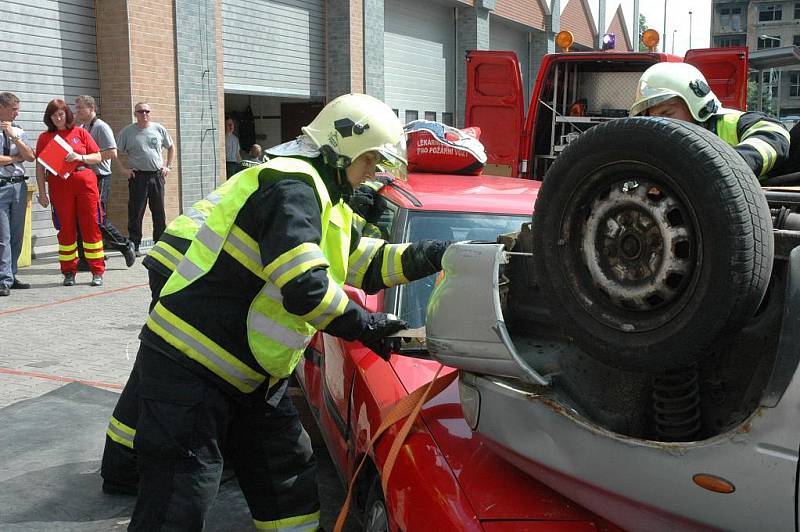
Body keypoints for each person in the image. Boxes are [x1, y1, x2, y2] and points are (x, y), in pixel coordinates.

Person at [127, 93, 450, 531]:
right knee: (181, 494)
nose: (373, 175)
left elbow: (365, 263)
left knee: (287, 477)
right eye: (371, 162)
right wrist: (368, 325)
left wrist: (437, 254)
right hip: (191, 368)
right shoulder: (290, 187)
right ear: (343, 150)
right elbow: (304, 286)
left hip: (252, 374)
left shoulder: (324, 200)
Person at [630, 62, 790, 180]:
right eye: (653, 118)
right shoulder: (655, 149)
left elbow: (775, 135)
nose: (660, 124)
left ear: (695, 104)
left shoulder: (735, 122)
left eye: (667, 113)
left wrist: (728, 164)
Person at [35, 99, 105, 287]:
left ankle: (97, 271)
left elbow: (98, 156)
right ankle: (68, 272)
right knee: (65, 230)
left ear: (67, 114)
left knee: (91, 226)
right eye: (54, 115)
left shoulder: (80, 132)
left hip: (85, 183)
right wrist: (42, 193)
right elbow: (40, 168)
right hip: (59, 186)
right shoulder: (44, 137)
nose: (58, 117)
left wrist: (80, 157)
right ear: (49, 118)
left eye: (61, 113)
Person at [74, 95, 136, 269]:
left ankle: (125, 245)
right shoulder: (81, 127)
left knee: (97, 217)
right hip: (85, 178)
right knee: (81, 219)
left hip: (100, 177)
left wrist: (84, 158)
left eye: (80, 108)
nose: (77, 111)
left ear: (91, 108)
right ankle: (86, 258)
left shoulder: (101, 127)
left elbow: (112, 152)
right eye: (76, 108)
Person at [116, 102, 174, 256]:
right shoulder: (128, 132)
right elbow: (114, 152)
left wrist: (168, 166)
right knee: (136, 212)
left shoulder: (158, 129)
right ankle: (134, 245)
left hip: (156, 176)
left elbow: (171, 147)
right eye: (141, 111)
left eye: (147, 111)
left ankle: (159, 245)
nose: (144, 114)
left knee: (159, 212)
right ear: (135, 114)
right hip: (138, 177)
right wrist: (123, 170)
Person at [0, 92, 35, 296]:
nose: (17, 113)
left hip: (19, 188)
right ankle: (3, 279)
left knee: (16, 235)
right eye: (13, 109)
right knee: (3, 236)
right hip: (2, 186)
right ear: (2, 108)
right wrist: (15, 157)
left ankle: (11, 275)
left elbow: (30, 156)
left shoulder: (19, 130)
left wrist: (14, 137)